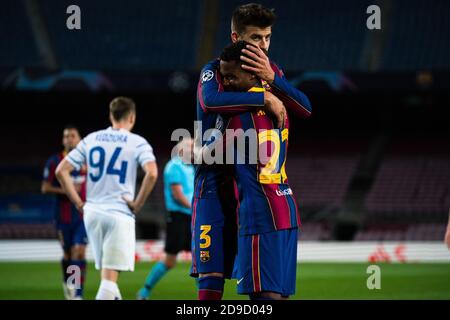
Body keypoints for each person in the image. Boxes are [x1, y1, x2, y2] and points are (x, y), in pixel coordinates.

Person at [191, 3, 311, 300]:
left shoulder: (271, 73)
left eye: (267, 37)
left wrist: (271, 81)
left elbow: (305, 108)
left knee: (263, 290)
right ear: (236, 38)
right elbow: (210, 102)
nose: (264, 45)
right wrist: (263, 98)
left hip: (249, 188)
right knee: (212, 274)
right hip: (214, 186)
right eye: (256, 38)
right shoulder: (216, 69)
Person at [219, 41, 302, 300]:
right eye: (224, 77)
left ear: (253, 73)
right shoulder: (279, 107)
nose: (227, 83)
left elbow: (210, 155)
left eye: (232, 76)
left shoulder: (239, 115)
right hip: (286, 209)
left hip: (260, 214)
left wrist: (191, 150)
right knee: (281, 294)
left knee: (264, 298)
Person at [56, 97, 158, 300]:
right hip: (118, 214)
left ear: (111, 116)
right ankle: (75, 293)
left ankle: (74, 293)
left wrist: (78, 202)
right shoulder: (137, 142)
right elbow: (152, 173)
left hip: (91, 213)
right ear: (132, 117)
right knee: (108, 281)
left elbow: (61, 171)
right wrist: (137, 203)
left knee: (104, 274)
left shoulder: (91, 139)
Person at [137, 138, 195, 299]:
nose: (193, 149)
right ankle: (145, 291)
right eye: (190, 146)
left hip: (191, 217)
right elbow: (178, 194)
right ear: (181, 150)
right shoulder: (174, 166)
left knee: (200, 258)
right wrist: (196, 209)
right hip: (179, 218)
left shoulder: (191, 168)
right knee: (170, 261)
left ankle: (204, 296)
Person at [42, 125, 87, 300]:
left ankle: (77, 293)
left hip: (83, 216)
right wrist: (68, 190)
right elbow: (45, 188)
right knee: (68, 255)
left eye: (73, 136)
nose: (69, 139)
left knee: (79, 252)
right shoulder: (55, 161)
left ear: (79, 139)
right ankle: (68, 280)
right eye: (66, 136)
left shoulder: (87, 161)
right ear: (63, 140)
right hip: (63, 217)